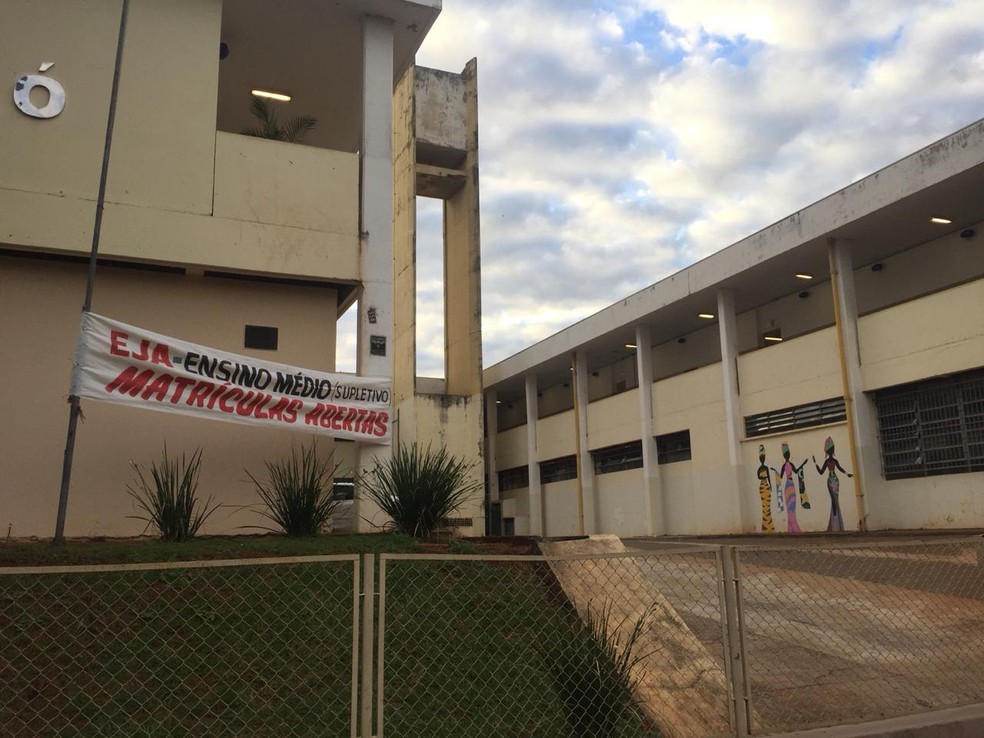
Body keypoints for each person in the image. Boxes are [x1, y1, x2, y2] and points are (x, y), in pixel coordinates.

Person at [814, 436, 853, 532]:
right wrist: (847, 474)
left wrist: (815, 464)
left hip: (832, 480)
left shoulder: (828, 461)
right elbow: (838, 469)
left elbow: (821, 472)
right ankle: (836, 524)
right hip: (834, 480)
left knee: (835, 501)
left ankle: (835, 524)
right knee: (834, 500)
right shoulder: (832, 461)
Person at [777, 442, 807, 533]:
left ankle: (791, 528)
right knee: (792, 507)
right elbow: (797, 471)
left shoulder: (783, 466)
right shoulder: (791, 464)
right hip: (791, 485)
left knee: (790, 508)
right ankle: (793, 528)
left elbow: (781, 476)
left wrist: (775, 472)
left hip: (787, 485)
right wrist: (803, 464)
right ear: (788, 455)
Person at [755, 445, 776, 532]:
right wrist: (763, 476)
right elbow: (759, 477)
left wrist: (770, 485)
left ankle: (768, 525)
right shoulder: (762, 468)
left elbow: (766, 477)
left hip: (765, 486)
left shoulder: (764, 468)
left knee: (767, 505)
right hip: (763, 486)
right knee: (765, 505)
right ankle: (766, 526)